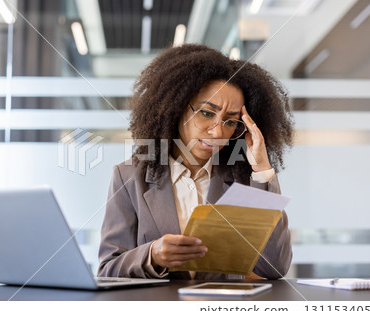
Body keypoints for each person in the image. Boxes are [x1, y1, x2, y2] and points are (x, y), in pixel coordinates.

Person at [98, 44, 294, 280]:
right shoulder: (129, 177)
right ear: (177, 107)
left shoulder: (244, 179)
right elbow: (108, 268)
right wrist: (152, 255)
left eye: (231, 122)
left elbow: (274, 267)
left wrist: (262, 170)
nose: (217, 132)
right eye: (207, 113)